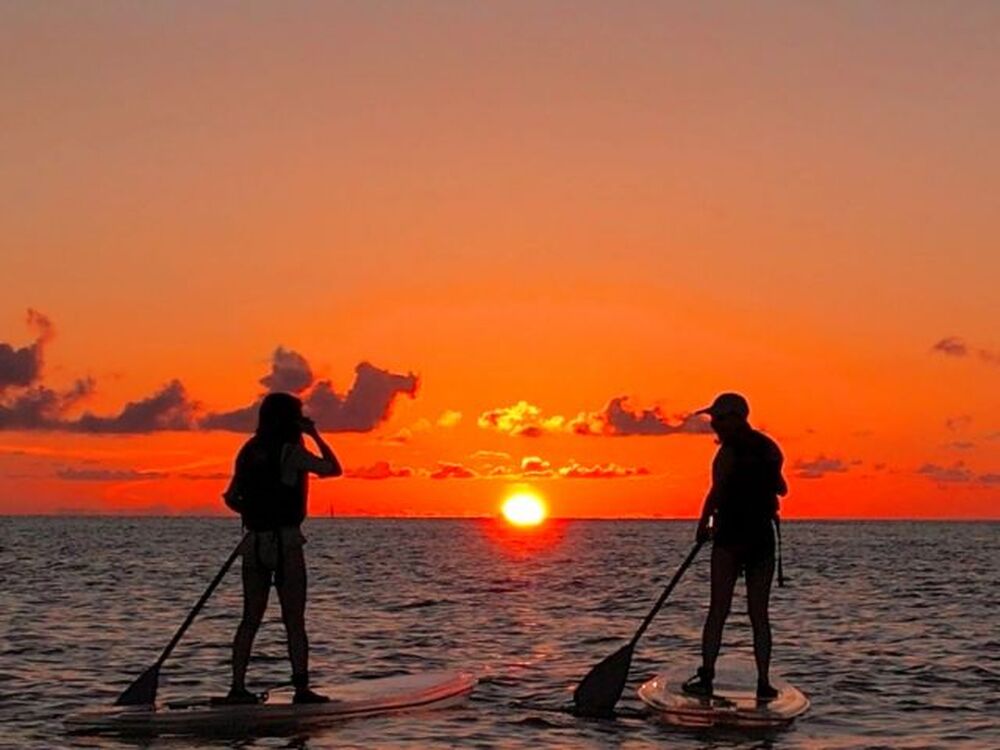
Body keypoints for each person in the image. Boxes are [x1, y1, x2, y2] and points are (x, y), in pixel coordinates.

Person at [221, 392, 342, 704]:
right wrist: (314, 434)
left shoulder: (249, 450)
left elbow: (231, 498)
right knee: (294, 619)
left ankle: (237, 688)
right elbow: (333, 468)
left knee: (250, 618)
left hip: (253, 543)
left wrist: (256, 515)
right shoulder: (291, 451)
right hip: (285, 542)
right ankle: (301, 689)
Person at [683, 392, 787, 701]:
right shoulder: (770, 449)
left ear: (736, 418)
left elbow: (715, 493)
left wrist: (703, 526)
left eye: (719, 418)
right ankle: (763, 683)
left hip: (731, 539)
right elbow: (782, 488)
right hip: (761, 539)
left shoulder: (727, 454)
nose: (714, 424)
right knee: (759, 615)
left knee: (719, 610)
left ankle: (707, 677)